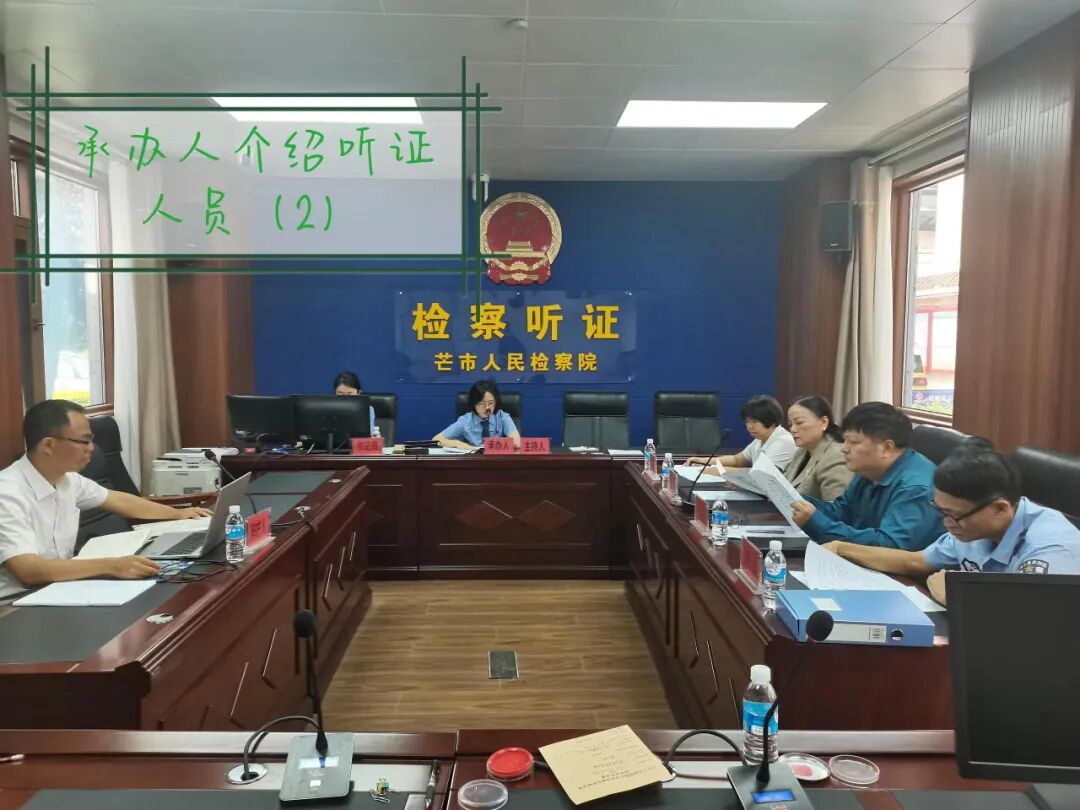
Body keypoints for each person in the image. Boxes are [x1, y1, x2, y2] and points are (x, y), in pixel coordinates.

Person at [0, 400, 213, 600]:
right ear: (48, 445)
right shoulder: (7, 493)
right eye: (84, 441)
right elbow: (28, 569)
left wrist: (179, 514)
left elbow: (117, 500)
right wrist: (113, 566)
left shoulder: (68, 480)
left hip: (59, 588)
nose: (91, 448)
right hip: (14, 603)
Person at [823, 440, 1080, 605]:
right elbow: (916, 561)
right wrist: (841, 548)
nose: (946, 523)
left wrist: (953, 595)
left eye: (953, 515)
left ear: (1000, 508)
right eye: (941, 511)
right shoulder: (971, 526)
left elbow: (1026, 619)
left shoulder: (1051, 548)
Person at [790, 401, 944, 551]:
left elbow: (889, 546)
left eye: (853, 442)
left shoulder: (916, 488)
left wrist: (816, 522)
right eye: (845, 440)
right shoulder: (869, 470)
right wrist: (795, 499)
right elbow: (842, 512)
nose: (844, 448)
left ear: (886, 447)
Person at [686, 395, 796, 473]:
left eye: (755, 422)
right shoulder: (760, 439)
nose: (749, 426)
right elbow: (736, 460)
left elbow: (760, 475)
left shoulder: (782, 441)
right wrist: (704, 461)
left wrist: (714, 470)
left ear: (770, 420)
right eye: (747, 421)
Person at [784, 395, 853, 501]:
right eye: (790, 424)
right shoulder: (801, 451)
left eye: (799, 423)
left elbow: (836, 506)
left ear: (824, 422)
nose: (793, 429)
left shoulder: (836, 456)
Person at [434, 380, 520, 451]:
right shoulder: (465, 421)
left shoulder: (502, 417)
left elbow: (517, 442)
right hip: (473, 461)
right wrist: (456, 443)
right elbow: (436, 440)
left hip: (497, 460)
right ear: (474, 403)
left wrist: (491, 445)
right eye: (482, 404)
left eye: (491, 403)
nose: (487, 407)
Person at [332, 370, 377, 436]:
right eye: (340, 394)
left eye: (350, 394)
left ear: (359, 393)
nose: (345, 398)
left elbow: (371, 436)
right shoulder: (329, 410)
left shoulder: (368, 410)